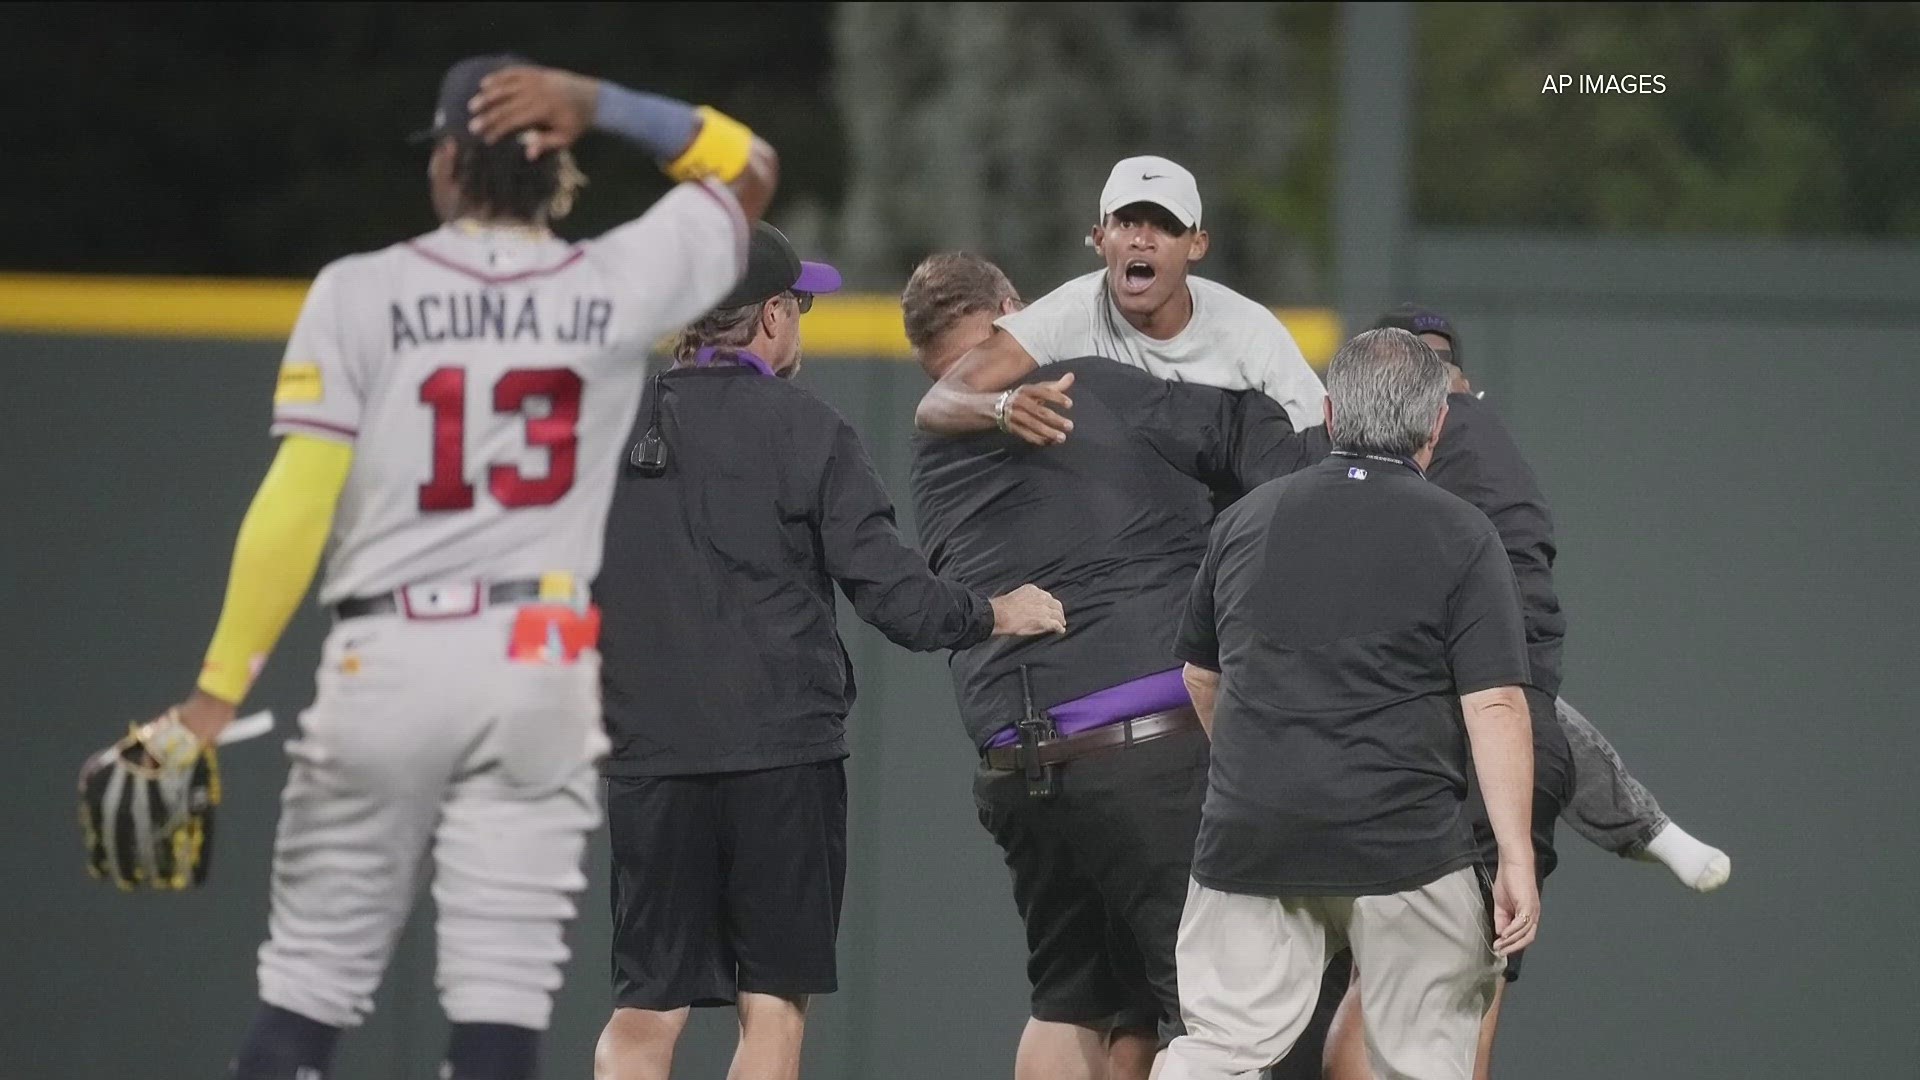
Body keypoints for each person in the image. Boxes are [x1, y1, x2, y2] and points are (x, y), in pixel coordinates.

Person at [111, 56, 778, 1080]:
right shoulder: (611, 283)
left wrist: (214, 693)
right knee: (501, 1006)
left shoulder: (364, 291)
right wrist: (599, 106)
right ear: (555, 165)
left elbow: (297, 497)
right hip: (538, 664)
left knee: (310, 988)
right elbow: (745, 171)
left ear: (450, 169)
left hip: (390, 654)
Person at [591, 228, 1067, 1080]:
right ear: (771, 316)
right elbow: (900, 600)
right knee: (771, 1011)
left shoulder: (610, 428)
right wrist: (997, 610)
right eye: (799, 305)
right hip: (782, 760)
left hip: (649, 759)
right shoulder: (808, 428)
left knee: (644, 1009)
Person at [902, 253, 1333, 1080]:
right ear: (1012, 309)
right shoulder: (1085, 378)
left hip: (1017, 764)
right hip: (1144, 750)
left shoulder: (931, 453)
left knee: (1073, 1003)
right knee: (1233, 1013)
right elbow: (1251, 443)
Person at [1312, 306, 1731, 1080]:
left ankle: (1645, 825)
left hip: (1404, 753)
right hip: (1503, 750)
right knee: (1457, 989)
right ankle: (1645, 826)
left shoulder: (1357, 468)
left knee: (1381, 984)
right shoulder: (1493, 463)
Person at [1163, 328, 1540, 1080]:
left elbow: (1200, 678)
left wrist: (1259, 776)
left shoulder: (1246, 521)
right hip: (1404, 844)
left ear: (1330, 415)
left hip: (1253, 836)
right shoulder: (1464, 533)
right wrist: (1516, 855)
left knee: (1218, 1053)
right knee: (1425, 1063)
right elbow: (1495, 703)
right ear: (1436, 426)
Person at [913, 155, 1325, 445]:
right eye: (1126, 222)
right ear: (1098, 239)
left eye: (1165, 226)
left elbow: (1322, 441)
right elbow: (937, 403)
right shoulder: (1068, 314)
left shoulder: (1248, 332)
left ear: (1196, 246)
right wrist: (1001, 407)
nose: (1142, 240)